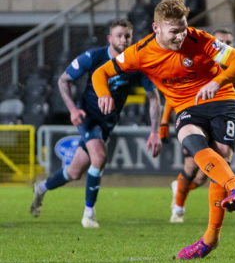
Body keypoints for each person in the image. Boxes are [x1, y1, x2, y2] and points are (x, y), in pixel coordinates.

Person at [91, 0, 235, 260]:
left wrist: (218, 81)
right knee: (191, 140)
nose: (181, 36)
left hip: (222, 98)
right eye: (174, 31)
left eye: (183, 28)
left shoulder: (198, 38)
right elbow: (100, 74)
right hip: (186, 106)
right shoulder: (140, 52)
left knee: (221, 155)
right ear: (156, 28)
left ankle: (210, 238)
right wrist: (103, 94)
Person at [30, 19, 162, 228]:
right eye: (119, 35)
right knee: (99, 158)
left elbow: (153, 97)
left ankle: (41, 188)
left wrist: (155, 132)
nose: (123, 40)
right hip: (88, 117)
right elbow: (63, 80)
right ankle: (88, 214)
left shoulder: (136, 63)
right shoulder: (94, 56)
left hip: (108, 122)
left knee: (73, 173)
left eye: (127, 36)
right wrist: (73, 109)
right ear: (110, 38)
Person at [161, 27, 235, 223]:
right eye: (221, 42)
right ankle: (178, 208)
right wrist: (163, 122)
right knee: (192, 165)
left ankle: (182, 189)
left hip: (221, 116)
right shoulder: (198, 62)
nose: (225, 46)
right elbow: (174, 94)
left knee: (204, 176)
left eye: (229, 43)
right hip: (194, 116)